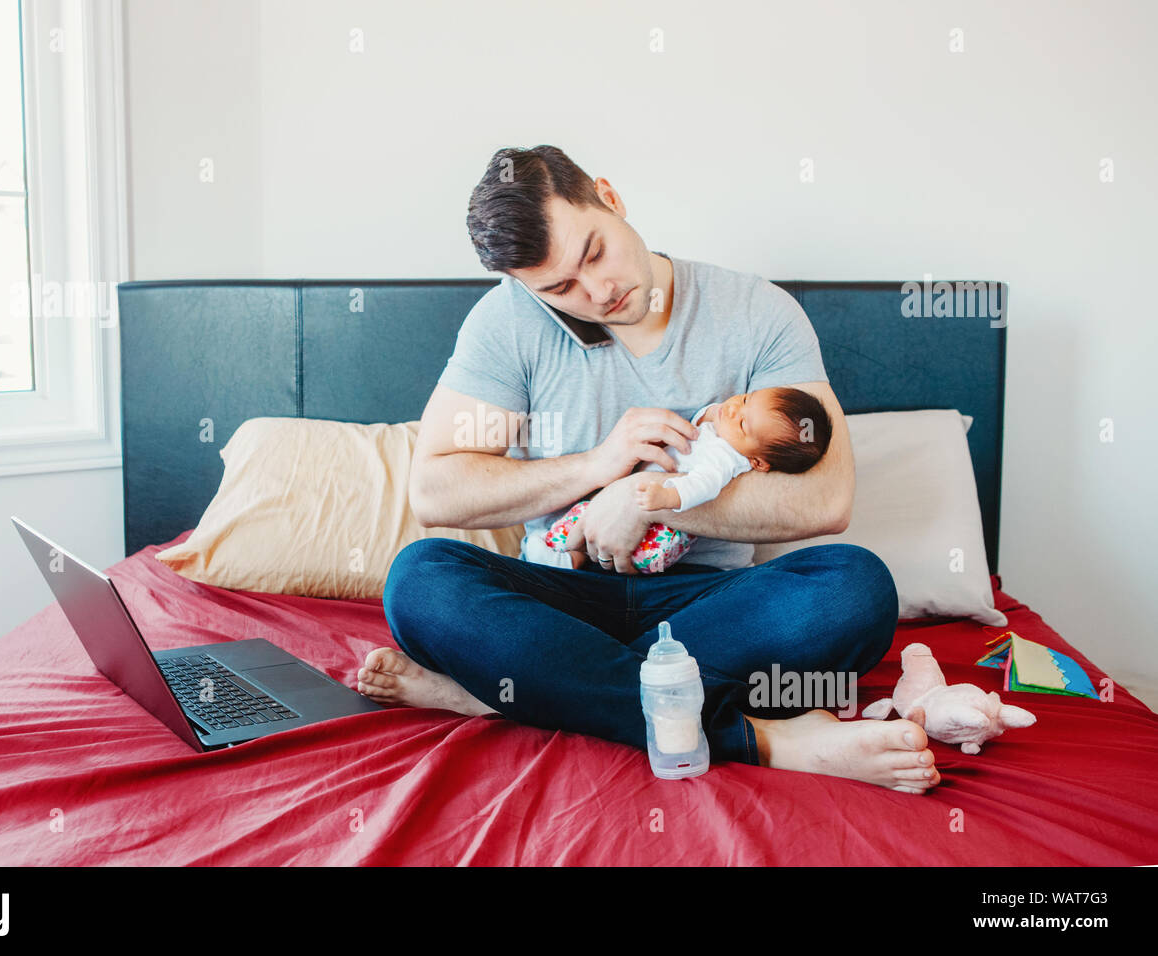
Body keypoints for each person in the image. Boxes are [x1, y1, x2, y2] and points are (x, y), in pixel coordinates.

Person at [358, 145, 940, 795]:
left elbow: (827, 499)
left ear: (609, 196)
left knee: (854, 587)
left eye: (595, 252)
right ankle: (760, 737)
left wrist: (648, 497)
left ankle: (523, 696)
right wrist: (599, 466)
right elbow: (436, 490)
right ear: (526, 289)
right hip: (559, 599)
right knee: (421, 579)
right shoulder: (507, 323)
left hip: (709, 607)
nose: (597, 291)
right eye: (559, 288)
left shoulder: (758, 313)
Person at [528, 386, 833, 571]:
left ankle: (558, 554)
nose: (733, 409)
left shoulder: (725, 459)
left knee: (585, 516)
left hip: (662, 533)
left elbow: (705, 486)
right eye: (746, 399)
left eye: (742, 422)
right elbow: (707, 419)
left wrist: (666, 497)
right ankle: (571, 560)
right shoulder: (725, 433)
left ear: (757, 462)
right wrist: (715, 414)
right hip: (648, 529)